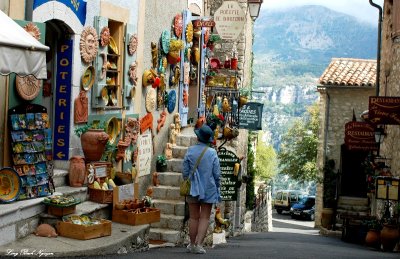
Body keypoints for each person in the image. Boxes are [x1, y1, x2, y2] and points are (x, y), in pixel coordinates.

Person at [182, 124, 221, 254]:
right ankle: (199, 245)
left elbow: (185, 172)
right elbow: (217, 174)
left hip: (193, 188)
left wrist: (191, 180)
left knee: (193, 217)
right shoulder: (212, 153)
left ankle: (191, 244)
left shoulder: (190, 150)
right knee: (204, 217)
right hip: (208, 189)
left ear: (198, 138)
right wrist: (217, 186)